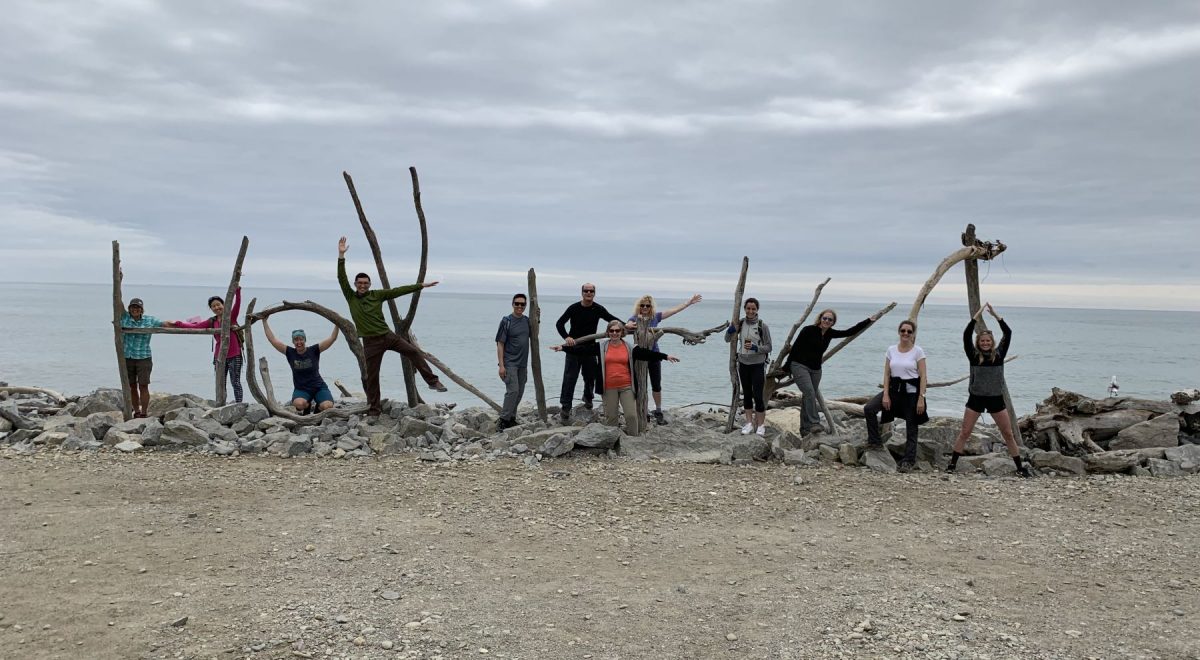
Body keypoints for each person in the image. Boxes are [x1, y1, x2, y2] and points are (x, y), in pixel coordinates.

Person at [337, 237, 447, 419]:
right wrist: (341, 255)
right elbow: (341, 278)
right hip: (370, 343)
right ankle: (374, 411)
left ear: (369, 284)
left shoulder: (376, 295)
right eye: (359, 283)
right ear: (355, 284)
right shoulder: (351, 297)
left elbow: (398, 290)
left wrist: (420, 285)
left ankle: (433, 382)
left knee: (413, 352)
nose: (362, 285)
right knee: (372, 378)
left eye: (366, 283)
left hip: (387, 336)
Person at [946, 304, 1031, 477]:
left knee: (1008, 433)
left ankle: (1020, 468)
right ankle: (952, 466)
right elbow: (966, 335)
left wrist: (996, 316)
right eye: (982, 341)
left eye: (988, 341)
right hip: (976, 399)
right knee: (965, 432)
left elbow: (1008, 333)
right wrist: (975, 317)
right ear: (979, 343)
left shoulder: (999, 355)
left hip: (995, 399)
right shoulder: (973, 355)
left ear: (992, 343)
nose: (985, 343)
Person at [552, 320, 678, 436]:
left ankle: (633, 441)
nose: (614, 333)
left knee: (631, 416)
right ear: (608, 332)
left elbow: (647, 354)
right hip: (608, 387)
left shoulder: (629, 347)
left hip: (627, 386)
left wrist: (665, 356)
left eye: (617, 331)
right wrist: (563, 348)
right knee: (611, 418)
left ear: (622, 332)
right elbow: (582, 350)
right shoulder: (601, 346)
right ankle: (613, 441)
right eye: (611, 331)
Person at [785, 308, 879, 436]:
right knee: (809, 392)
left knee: (808, 397)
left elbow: (849, 332)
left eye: (830, 319)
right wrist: (787, 366)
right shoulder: (808, 330)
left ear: (833, 322)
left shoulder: (830, 333)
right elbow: (795, 347)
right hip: (799, 366)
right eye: (825, 318)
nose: (827, 321)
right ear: (820, 318)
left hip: (816, 369)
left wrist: (868, 321)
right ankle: (814, 423)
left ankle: (805, 429)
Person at [862, 319, 928, 472]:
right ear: (899, 332)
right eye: (903, 330)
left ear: (913, 334)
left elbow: (923, 376)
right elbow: (886, 374)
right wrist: (885, 394)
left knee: (912, 425)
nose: (905, 333)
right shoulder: (891, 350)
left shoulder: (918, 351)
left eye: (909, 331)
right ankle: (875, 442)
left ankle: (908, 460)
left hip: (911, 392)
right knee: (869, 409)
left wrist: (921, 397)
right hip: (893, 389)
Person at [628, 293, 702, 425]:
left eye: (648, 305)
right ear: (639, 306)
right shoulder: (634, 318)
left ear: (651, 307)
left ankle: (658, 410)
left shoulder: (655, 317)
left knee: (656, 384)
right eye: (642, 305)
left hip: (655, 355)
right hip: (639, 356)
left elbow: (673, 311)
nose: (645, 307)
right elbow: (627, 325)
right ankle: (642, 410)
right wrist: (628, 325)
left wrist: (688, 303)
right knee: (639, 384)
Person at [555, 283, 619, 424]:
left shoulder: (598, 309)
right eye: (586, 291)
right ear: (582, 292)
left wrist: (626, 326)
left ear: (594, 293)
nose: (589, 293)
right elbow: (559, 324)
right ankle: (565, 408)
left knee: (590, 376)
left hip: (590, 348)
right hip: (573, 349)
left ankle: (588, 399)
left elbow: (612, 319)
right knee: (570, 378)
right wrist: (567, 337)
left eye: (591, 291)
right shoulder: (574, 308)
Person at [172, 287, 245, 403]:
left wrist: (238, 292)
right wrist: (179, 323)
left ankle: (239, 404)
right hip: (219, 357)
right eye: (213, 306)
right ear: (211, 309)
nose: (216, 307)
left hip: (234, 355)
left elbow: (237, 305)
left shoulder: (231, 317)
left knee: (235, 381)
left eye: (218, 304)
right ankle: (221, 404)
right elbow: (195, 327)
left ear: (224, 304)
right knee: (220, 382)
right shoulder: (212, 321)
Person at [261, 317, 340, 414]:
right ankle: (307, 406)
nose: (299, 342)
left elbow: (332, 338)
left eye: (301, 339)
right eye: (296, 340)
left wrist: (337, 323)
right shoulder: (290, 352)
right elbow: (272, 339)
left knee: (328, 406)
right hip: (302, 389)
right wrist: (264, 321)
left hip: (318, 387)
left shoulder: (314, 350)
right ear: (293, 342)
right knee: (299, 404)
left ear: (305, 340)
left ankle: (318, 409)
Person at [725, 297, 772, 436]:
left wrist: (755, 348)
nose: (750, 311)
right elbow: (727, 339)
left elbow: (769, 347)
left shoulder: (762, 325)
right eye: (748, 308)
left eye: (753, 309)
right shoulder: (740, 323)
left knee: (758, 396)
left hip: (757, 364)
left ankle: (761, 425)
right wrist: (731, 330)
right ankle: (749, 423)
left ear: (757, 310)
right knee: (746, 395)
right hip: (743, 364)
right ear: (744, 309)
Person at [120, 296, 170, 418]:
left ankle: (144, 412)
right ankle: (136, 411)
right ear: (129, 309)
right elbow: (118, 302)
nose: (135, 309)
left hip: (144, 357)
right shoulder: (124, 318)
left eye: (138, 307)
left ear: (142, 309)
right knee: (131, 386)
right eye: (133, 307)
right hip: (128, 357)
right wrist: (119, 282)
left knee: (143, 385)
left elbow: (165, 324)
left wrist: (186, 324)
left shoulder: (149, 320)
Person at [495, 293, 532, 430]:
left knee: (520, 391)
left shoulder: (527, 321)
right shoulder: (506, 321)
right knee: (513, 391)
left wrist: (537, 319)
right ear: (513, 304)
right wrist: (501, 366)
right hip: (509, 363)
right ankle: (503, 420)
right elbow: (500, 343)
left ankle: (511, 418)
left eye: (522, 304)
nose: (519, 306)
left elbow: (535, 335)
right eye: (517, 303)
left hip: (523, 363)